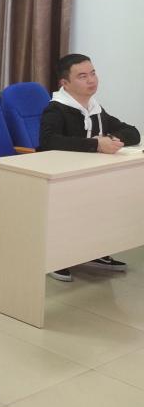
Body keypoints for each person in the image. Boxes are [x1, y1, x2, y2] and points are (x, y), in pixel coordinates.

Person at [39, 53, 140, 281]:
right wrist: (96, 144)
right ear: (65, 83)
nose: (91, 80)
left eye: (93, 73)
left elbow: (132, 132)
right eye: (82, 76)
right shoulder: (56, 109)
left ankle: (94, 251)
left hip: (86, 173)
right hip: (58, 176)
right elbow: (48, 142)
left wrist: (111, 139)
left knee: (107, 199)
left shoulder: (94, 108)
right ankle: (57, 257)